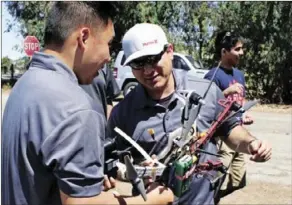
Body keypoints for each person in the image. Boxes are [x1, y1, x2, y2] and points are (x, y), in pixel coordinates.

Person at [1, 3, 173, 205]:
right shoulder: (76, 107)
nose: (109, 57)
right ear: (83, 38)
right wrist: (154, 200)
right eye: (108, 43)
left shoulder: (26, 84)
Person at [107, 23, 272, 205]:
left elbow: (229, 128)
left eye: (153, 59)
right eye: (138, 63)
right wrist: (137, 172)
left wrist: (251, 144)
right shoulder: (122, 114)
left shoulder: (204, 90)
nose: (147, 71)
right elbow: (112, 165)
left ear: (169, 51)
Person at [204, 31, 253, 202]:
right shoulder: (213, 75)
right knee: (215, 181)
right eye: (237, 49)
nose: (241, 52)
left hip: (238, 132)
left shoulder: (239, 74)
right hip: (222, 138)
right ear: (224, 52)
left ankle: (214, 199)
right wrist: (226, 92)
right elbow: (206, 106)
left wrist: (244, 113)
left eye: (242, 49)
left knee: (239, 181)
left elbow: (240, 100)